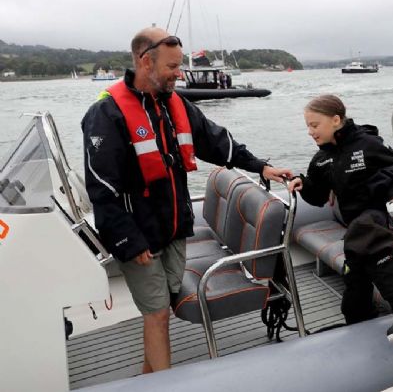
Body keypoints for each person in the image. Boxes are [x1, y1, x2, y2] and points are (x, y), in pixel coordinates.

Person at [81, 27, 292, 373]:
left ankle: (147, 378)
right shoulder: (106, 114)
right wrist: (129, 241)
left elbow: (217, 142)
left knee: (160, 311)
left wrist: (261, 166)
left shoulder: (174, 105)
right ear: (145, 62)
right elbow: (101, 188)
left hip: (174, 230)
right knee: (157, 314)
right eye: (172, 67)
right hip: (140, 237)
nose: (179, 74)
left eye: (179, 66)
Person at [288, 94, 393, 342]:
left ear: (335, 120)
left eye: (314, 125)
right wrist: (303, 184)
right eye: (308, 126)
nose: (310, 132)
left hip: (380, 216)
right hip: (356, 227)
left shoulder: (367, 144)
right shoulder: (321, 160)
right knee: (354, 284)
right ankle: (360, 322)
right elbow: (318, 197)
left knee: (365, 229)